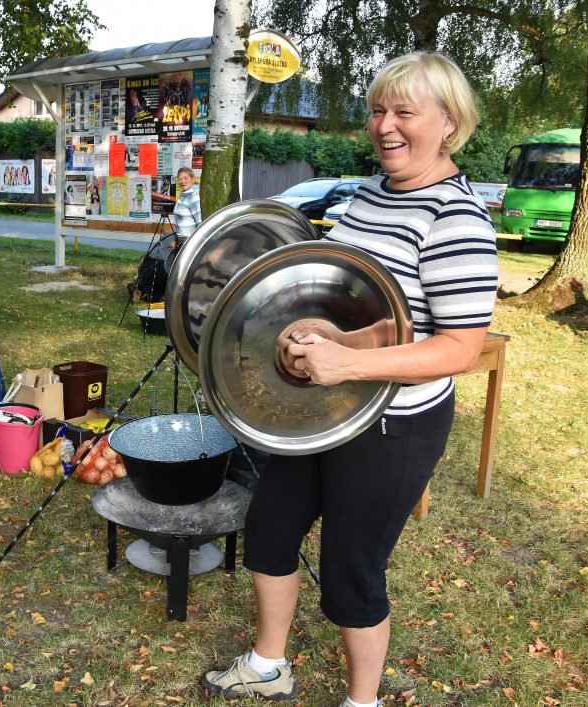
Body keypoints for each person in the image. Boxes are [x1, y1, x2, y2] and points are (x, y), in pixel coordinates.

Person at [201, 52, 498, 706]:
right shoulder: (370, 195)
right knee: (270, 528)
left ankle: (362, 701)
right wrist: (310, 332)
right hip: (326, 407)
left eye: (403, 112)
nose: (384, 125)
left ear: (449, 123)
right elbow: (354, 301)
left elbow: (459, 348)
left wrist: (350, 363)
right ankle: (269, 663)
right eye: (376, 110)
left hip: (395, 426)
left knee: (351, 572)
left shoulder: (457, 220)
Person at [173, 167, 201, 237]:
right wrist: (176, 239)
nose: (182, 182)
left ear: (193, 179)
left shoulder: (194, 197)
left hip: (190, 241)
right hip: (181, 240)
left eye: (186, 178)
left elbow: (200, 223)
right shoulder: (183, 195)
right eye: (180, 179)